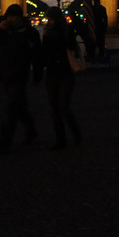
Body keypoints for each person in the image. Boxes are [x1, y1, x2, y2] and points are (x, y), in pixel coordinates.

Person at [0, 4, 42, 153]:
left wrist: (38, 75)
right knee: (19, 105)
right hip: (5, 73)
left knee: (10, 108)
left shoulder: (31, 33)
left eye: (11, 16)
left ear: (19, 17)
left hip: (19, 74)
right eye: (7, 16)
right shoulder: (5, 31)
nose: (8, 19)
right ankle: (31, 131)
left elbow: (37, 56)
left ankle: (4, 142)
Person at [39, 8, 81, 150]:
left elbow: (71, 46)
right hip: (52, 72)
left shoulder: (67, 30)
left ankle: (76, 133)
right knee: (55, 109)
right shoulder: (47, 33)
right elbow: (43, 53)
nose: (48, 21)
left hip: (65, 72)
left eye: (50, 19)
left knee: (63, 106)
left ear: (56, 19)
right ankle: (61, 139)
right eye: (47, 19)